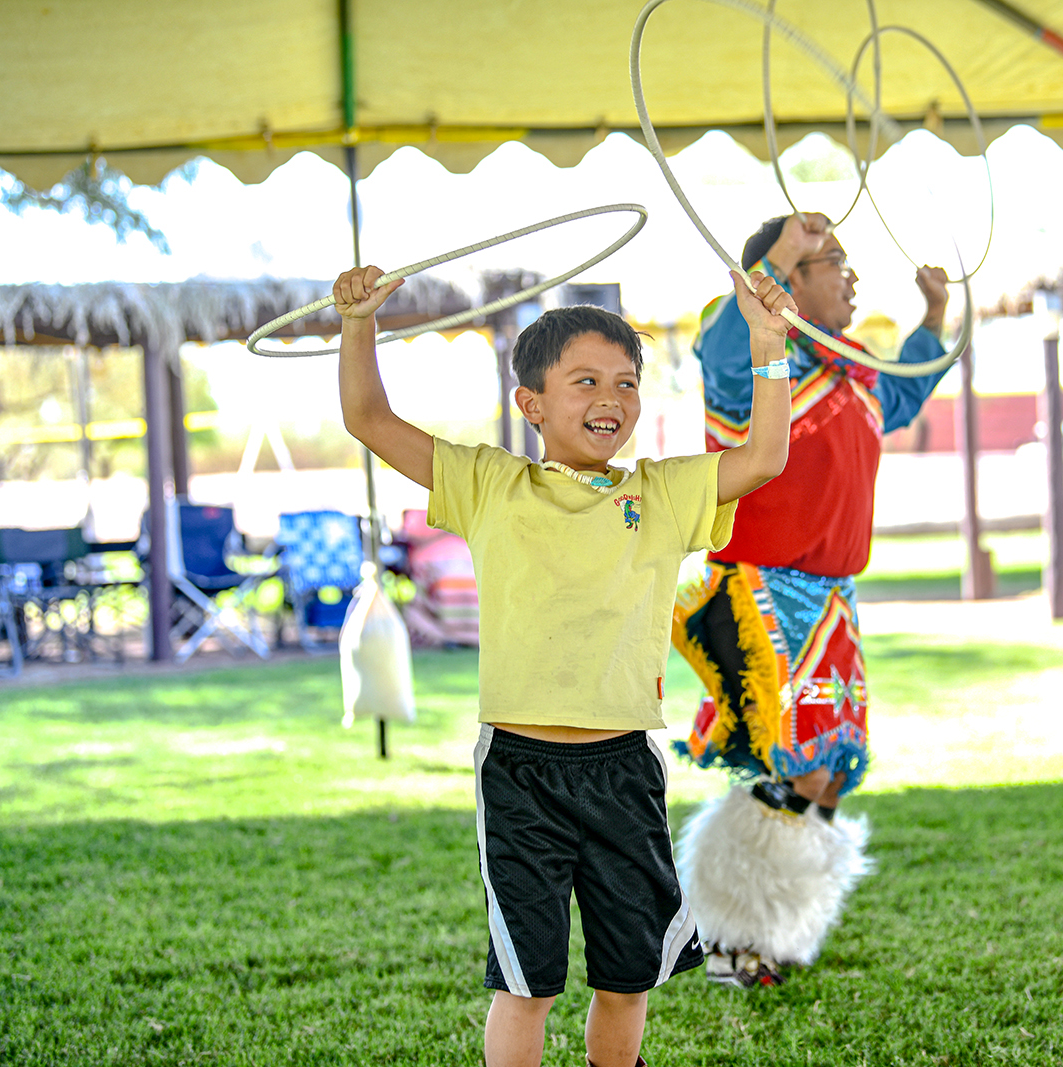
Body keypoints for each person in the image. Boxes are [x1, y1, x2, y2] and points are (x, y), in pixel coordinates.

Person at [335, 263, 795, 1067]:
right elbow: (368, 416)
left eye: (625, 381)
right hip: (521, 772)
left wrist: (768, 344)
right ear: (532, 402)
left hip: (623, 768)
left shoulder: (661, 493)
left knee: (627, 977)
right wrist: (358, 324)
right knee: (527, 980)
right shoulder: (487, 483)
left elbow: (763, 456)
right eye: (585, 381)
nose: (609, 397)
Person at [670, 212, 955, 988]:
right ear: (788, 278)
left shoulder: (852, 367)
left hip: (831, 594)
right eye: (832, 262)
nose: (851, 276)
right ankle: (730, 937)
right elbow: (726, 348)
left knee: (827, 767)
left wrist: (933, 319)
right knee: (791, 763)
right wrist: (780, 253)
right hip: (766, 588)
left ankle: (784, 928)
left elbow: (902, 395)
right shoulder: (758, 364)